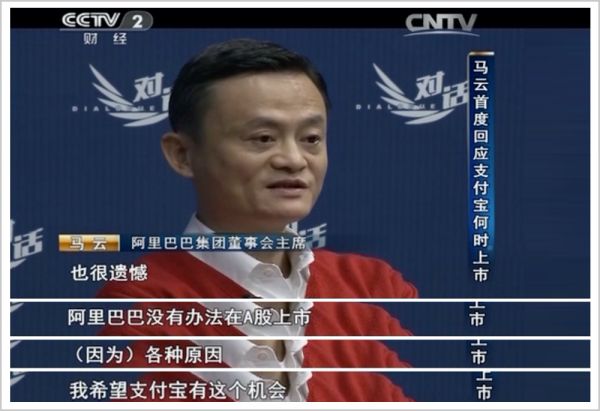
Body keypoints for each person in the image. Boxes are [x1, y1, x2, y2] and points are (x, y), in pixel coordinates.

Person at [98, 38, 418, 402]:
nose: (293, 160)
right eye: (263, 138)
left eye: (311, 138)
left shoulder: (370, 284)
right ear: (182, 154)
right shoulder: (139, 299)